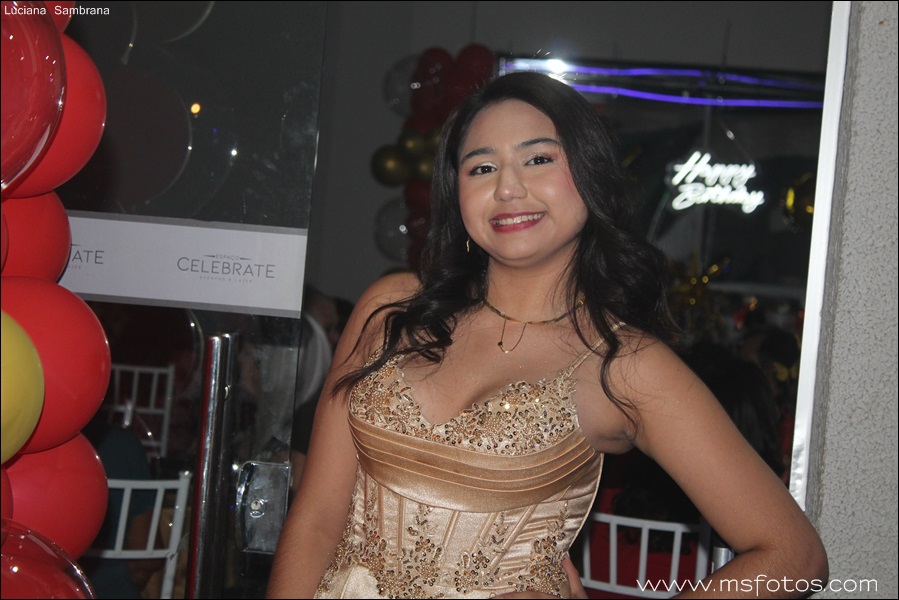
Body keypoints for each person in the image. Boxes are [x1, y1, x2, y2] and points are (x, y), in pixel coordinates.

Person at [267, 72, 827, 598]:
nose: (508, 188)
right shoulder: (392, 308)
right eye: (482, 168)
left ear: (589, 174)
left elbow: (793, 555)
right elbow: (315, 520)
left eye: (538, 159)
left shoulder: (623, 363)